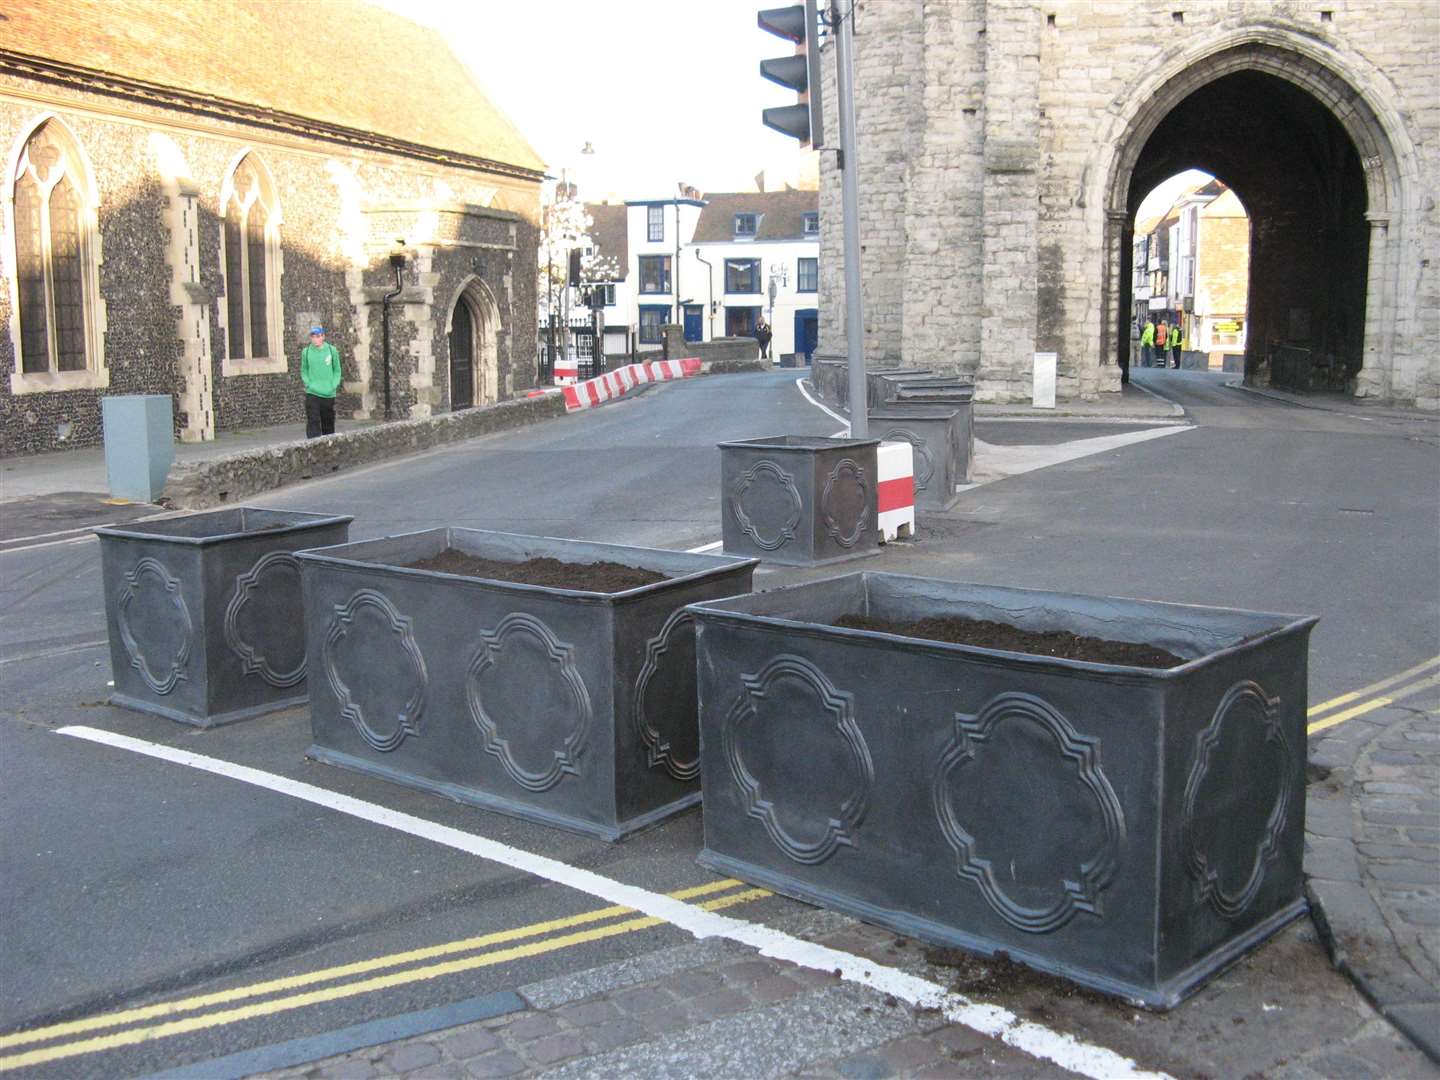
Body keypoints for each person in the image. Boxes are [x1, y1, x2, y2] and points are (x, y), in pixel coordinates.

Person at [301, 326, 343, 438]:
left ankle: (328, 450)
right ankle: (312, 447)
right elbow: (304, 370)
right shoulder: (306, 352)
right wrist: (308, 383)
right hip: (312, 392)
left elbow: (337, 370)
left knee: (328, 424)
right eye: (313, 337)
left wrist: (333, 385)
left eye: (318, 336)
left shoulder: (331, 350)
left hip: (328, 393)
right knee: (313, 421)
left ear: (323, 337)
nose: (316, 339)